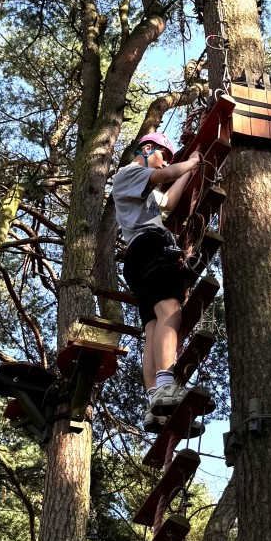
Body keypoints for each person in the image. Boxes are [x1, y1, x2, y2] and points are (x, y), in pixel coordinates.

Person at [112, 132, 203, 432]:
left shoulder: (143, 189)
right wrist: (189, 162)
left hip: (139, 258)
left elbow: (167, 201)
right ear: (147, 148)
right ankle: (165, 384)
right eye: (164, 154)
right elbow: (162, 174)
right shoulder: (130, 173)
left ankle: (154, 400)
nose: (166, 162)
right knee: (170, 313)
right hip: (150, 248)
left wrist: (190, 168)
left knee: (153, 328)